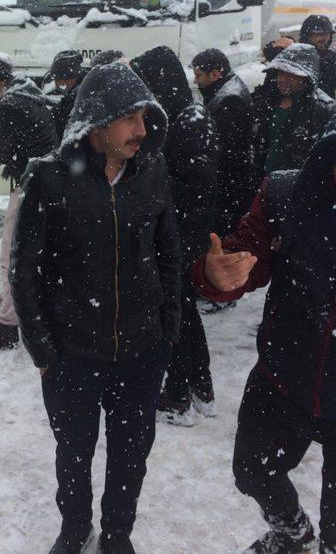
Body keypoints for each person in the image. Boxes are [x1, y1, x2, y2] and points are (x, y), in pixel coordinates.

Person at [10, 62, 180, 554]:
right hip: (73, 351)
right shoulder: (50, 178)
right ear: (99, 122)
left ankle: (117, 534)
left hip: (143, 349)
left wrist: (168, 330)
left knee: (131, 454)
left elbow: (169, 253)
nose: (141, 132)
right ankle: (73, 527)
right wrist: (41, 346)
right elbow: (25, 270)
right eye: (131, 120)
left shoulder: (152, 172)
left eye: (146, 119)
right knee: (74, 452)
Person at [193, 117, 336, 554]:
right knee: (252, 471)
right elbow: (243, 255)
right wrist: (218, 275)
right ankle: (293, 534)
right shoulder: (289, 192)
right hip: (285, 372)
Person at [130, 46, 218, 425]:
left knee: (174, 314)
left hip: (181, 233)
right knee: (185, 313)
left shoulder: (185, 121)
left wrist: (150, 190)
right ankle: (201, 388)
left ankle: (180, 394)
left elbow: (195, 183)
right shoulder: (185, 114)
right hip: (184, 230)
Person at [0, 52, 58, 350]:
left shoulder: (8, 105)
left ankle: (8, 325)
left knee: (11, 256)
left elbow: (7, 146)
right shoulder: (26, 92)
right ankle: (40, 313)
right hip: (48, 183)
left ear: (3, 81)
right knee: (36, 255)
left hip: (30, 187)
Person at [251, 43, 335, 186]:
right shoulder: (268, 101)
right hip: (267, 184)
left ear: (307, 78)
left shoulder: (324, 109)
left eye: (292, 75)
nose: (283, 80)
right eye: (281, 73)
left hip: (300, 188)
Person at [192, 48, 254, 235]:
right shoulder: (226, 90)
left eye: (199, 75)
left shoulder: (229, 100)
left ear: (215, 74)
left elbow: (227, 150)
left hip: (230, 183)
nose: (195, 81)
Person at [49, 49, 88, 137]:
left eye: (56, 79)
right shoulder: (86, 85)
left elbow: (61, 114)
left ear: (64, 79)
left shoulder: (77, 96)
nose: (56, 84)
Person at [299, 14, 336, 99]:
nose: (324, 38)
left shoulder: (332, 58)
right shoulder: (296, 56)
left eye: (327, 33)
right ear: (307, 35)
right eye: (319, 34)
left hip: (325, 109)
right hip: (298, 108)